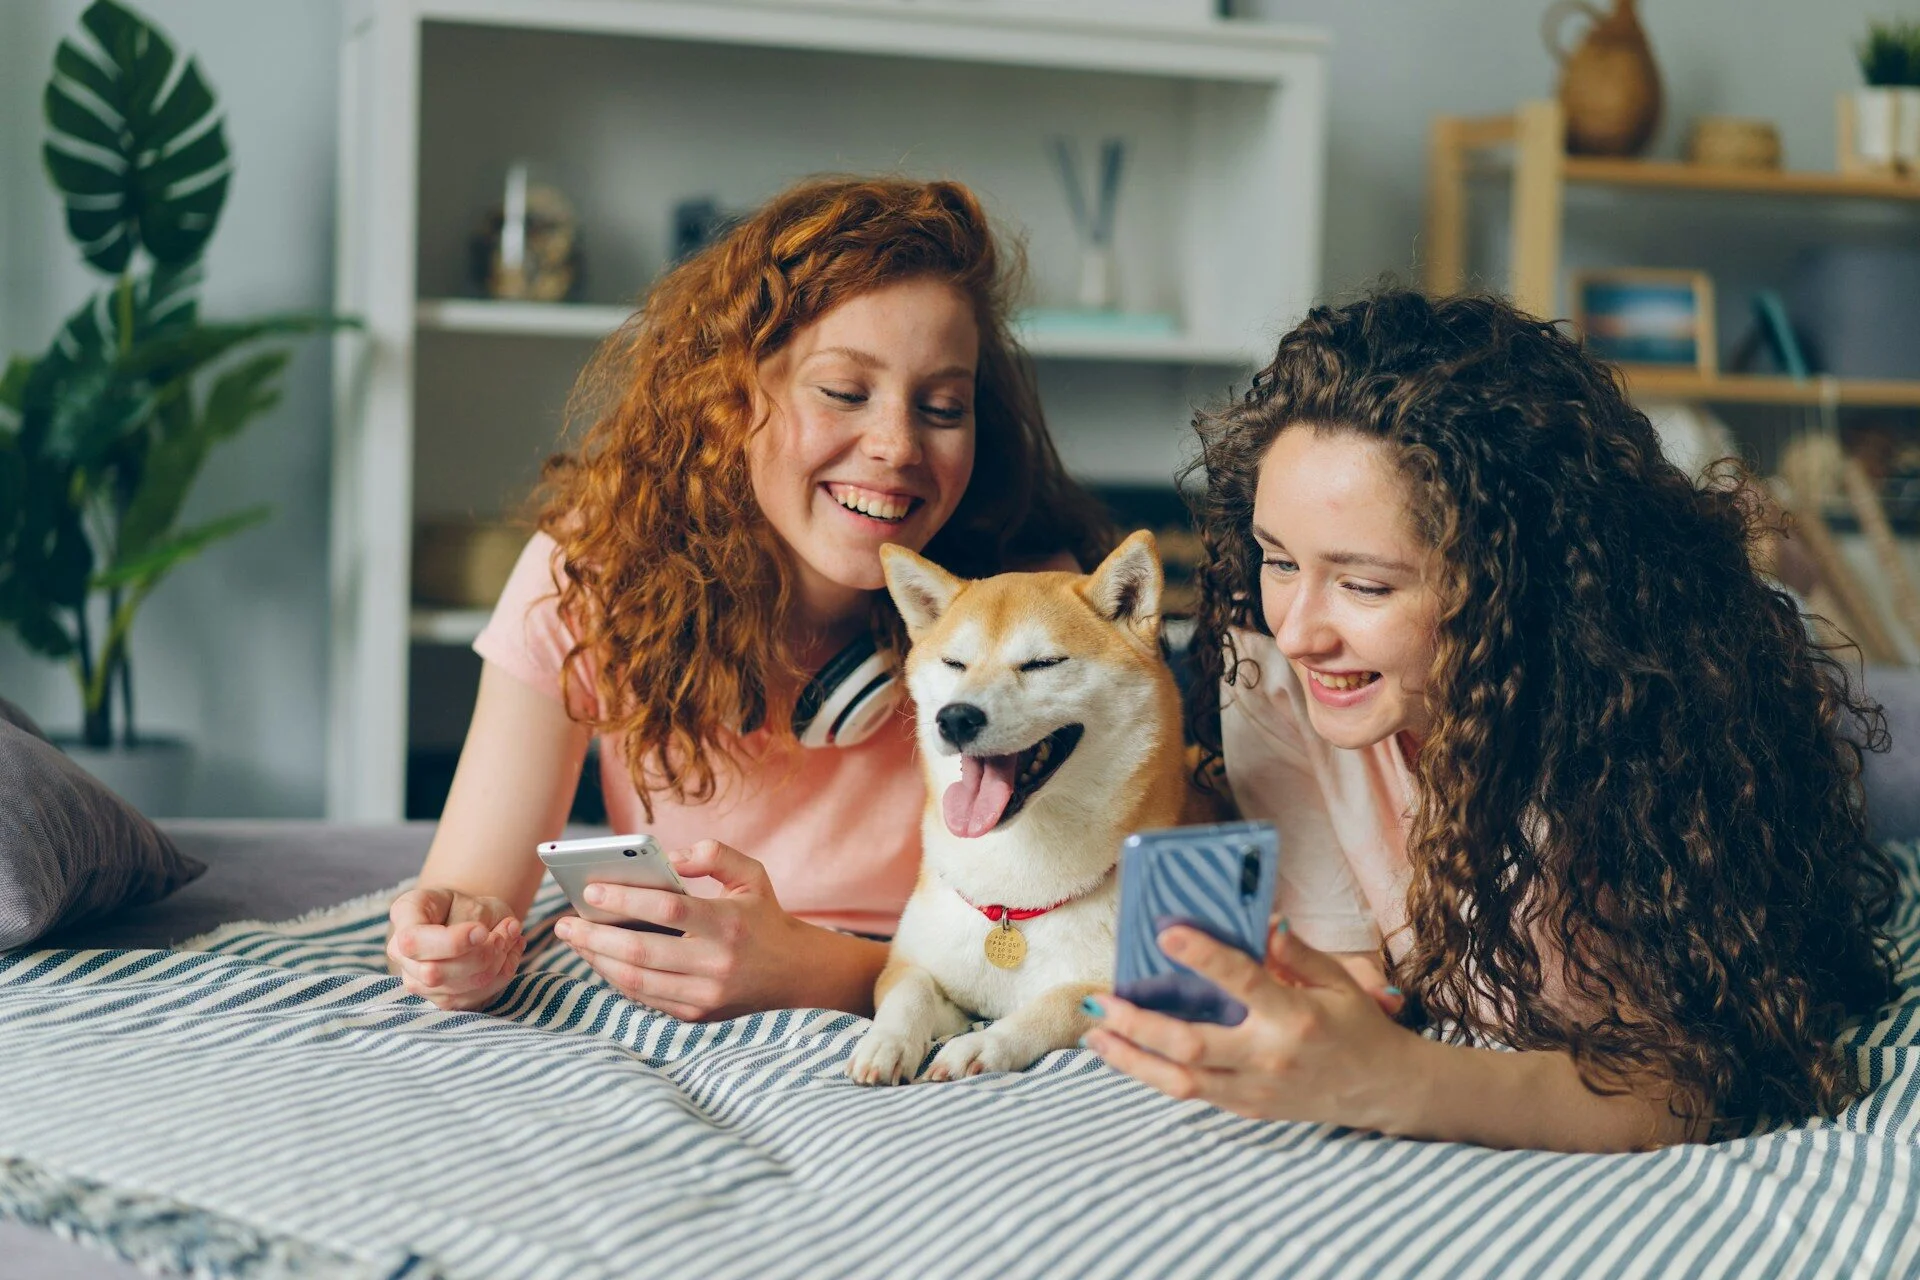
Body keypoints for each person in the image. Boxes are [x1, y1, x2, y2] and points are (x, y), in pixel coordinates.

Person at [1083, 289, 1901, 1151]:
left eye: (1365, 584)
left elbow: (1685, 1077)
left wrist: (1392, 1081)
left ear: (1511, 586)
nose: (1297, 630)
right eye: (1279, 559)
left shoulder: (1626, 731)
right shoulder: (1268, 663)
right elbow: (1359, 968)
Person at [386, 176, 1111, 1021]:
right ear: (732, 399)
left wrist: (813, 970)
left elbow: (1069, 950)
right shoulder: (591, 568)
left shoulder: (1043, 616)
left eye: (943, 406)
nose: (896, 445)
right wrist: (455, 942)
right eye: (844, 392)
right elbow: (474, 888)